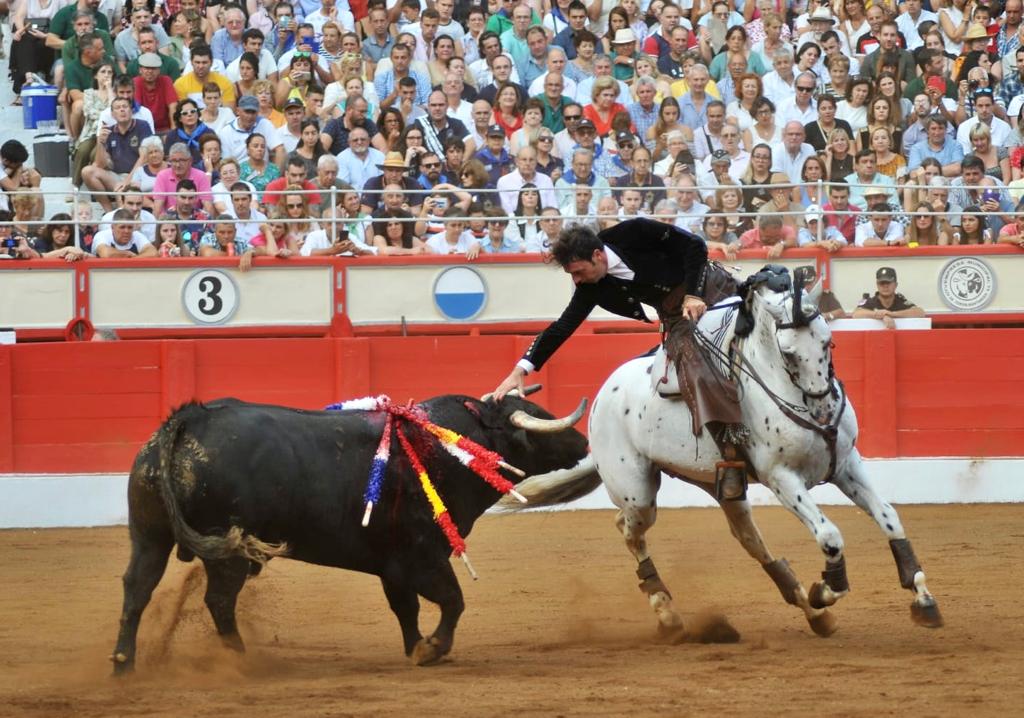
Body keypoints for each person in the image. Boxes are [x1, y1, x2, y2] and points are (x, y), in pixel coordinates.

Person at [490, 218, 748, 500]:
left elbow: (695, 245)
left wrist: (693, 295)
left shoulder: (633, 232)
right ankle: (731, 455)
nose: (576, 280)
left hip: (711, 288)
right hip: (677, 317)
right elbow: (562, 326)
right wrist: (521, 369)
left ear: (597, 256)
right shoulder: (592, 286)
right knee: (693, 368)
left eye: (578, 271)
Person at [852, 267, 925, 327]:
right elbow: (856, 313)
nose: (885, 286)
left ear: (896, 285)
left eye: (888, 283)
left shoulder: (900, 301)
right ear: (877, 285)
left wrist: (892, 314)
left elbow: (920, 312)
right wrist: (881, 316)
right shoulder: (871, 301)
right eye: (882, 283)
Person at [91, 209, 158, 257]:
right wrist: (128, 254)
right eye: (122, 227)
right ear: (112, 227)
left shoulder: (137, 235)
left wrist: (134, 260)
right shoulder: (101, 235)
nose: (126, 231)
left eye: (130, 227)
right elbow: (106, 254)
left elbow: (153, 252)